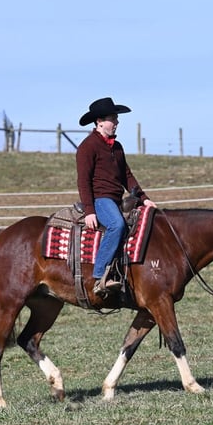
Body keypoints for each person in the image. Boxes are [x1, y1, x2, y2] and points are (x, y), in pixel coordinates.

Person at [76, 97, 157, 295]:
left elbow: (126, 176)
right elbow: (83, 181)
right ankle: (99, 276)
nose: (117, 123)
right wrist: (89, 211)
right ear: (100, 121)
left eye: (116, 119)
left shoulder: (117, 147)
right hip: (100, 199)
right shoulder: (88, 147)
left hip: (116, 199)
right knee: (117, 225)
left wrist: (144, 198)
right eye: (113, 119)